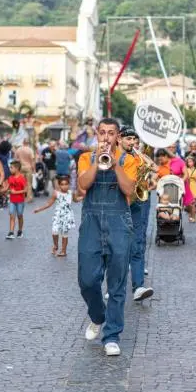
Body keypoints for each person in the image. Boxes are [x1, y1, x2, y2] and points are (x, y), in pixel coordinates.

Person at [77, 117, 137, 357]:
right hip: (91, 222)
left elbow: (129, 189)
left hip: (118, 223)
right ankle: (98, 315)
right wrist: (97, 162)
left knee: (117, 283)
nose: (106, 137)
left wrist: (113, 165)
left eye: (111, 133)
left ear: (118, 137)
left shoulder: (128, 160)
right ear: (97, 134)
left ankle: (111, 335)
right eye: (102, 133)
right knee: (87, 280)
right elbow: (82, 185)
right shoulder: (85, 157)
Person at [121, 127, 154, 302]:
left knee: (138, 242)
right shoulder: (116, 157)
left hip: (138, 201)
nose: (132, 142)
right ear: (120, 139)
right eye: (129, 139)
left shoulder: (138, 156)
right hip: (119, 202)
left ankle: (138, 286)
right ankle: (115, 286)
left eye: (135, 139)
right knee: (116, 246)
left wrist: (140, 154)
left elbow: (153, 167)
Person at [34, 176, 81, 257]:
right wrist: (39, 209)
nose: (64, 186)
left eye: (66, 184)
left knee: (64, 234)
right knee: (54, 232)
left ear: (69, 185)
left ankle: (63, 251)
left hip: (67, 216)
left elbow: (75, 200)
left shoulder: (71, 193)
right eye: (62, 184)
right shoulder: (56, 193)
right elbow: (49, 204)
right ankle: (56, 245)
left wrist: (82, 197)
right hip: (58, 215)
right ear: (59, 185)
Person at [6, 160, 27, 239]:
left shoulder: (22, 178)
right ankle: (11, 232)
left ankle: (20, 231)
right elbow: (8, 187)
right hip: (12, 200)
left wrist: (16, 192)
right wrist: (6, 191)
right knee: (12, 215)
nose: (10, 169)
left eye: (11, 168)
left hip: (20, 201)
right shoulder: (10, 178)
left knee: (20, 215)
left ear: (17, 168)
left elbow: (25, 190)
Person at [14, 138, 35, 202]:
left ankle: (20, 196)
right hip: (28, 167)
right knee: (29, 183)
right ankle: (29, 198)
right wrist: (34, 169)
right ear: (28, 143)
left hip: (20, 167)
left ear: (23, 142)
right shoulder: (30, 150)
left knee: (21, 183)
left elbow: (15, 159)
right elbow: (32, 160)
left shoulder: (19, 149)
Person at [182, 155, 196, 223]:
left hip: (195, 186)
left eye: (191, 161)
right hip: (187, 186)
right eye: (188, 162)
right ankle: (191, 214)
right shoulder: (186, 169)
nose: (189, 163)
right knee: (189, 203)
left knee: (193, 203)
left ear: (194, 162)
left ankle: (192, 216)